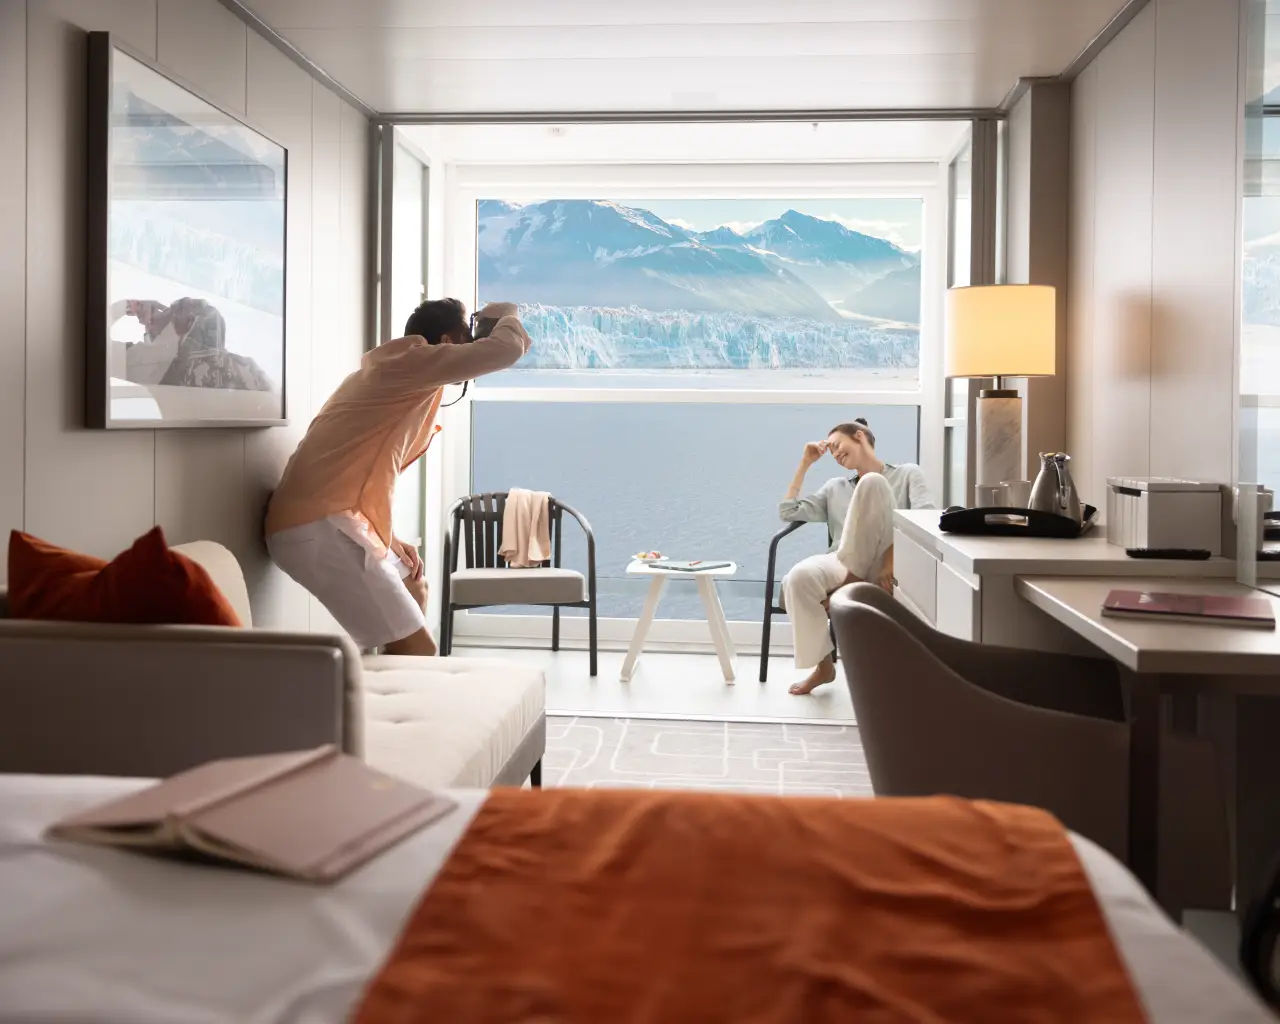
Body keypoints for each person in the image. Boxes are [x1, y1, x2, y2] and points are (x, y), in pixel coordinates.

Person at [265, 299, 530, 656]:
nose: (472, 347)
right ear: (447, 343)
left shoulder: (399, 372)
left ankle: (383, 689)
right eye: (468, 336)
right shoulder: (412, 362)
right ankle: (386, 701)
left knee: (414, 585)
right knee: (419, 649)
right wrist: (508, 313)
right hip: (316, 527)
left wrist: (386, 538)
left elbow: (360, 473)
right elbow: (505, 349)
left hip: (329, 517)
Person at [778, 418, 936, 695]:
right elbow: (788, 512)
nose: (836, 454)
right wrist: (805, 462)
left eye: (839, 445)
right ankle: (823, 667)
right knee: (798, 578)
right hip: (844, 559)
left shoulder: (908, 474)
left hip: (891, 565)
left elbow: (926, 520)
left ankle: (850, 584)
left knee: (873, 482)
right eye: (832, 451)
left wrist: (891, 561)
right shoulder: (835, 487)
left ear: (860, 436)